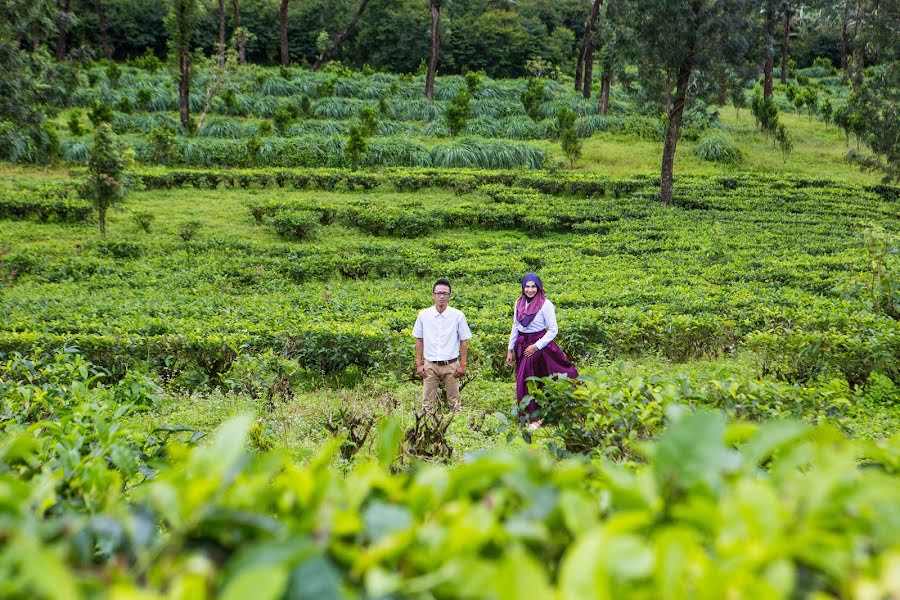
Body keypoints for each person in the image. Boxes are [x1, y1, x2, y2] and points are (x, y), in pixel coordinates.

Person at [506, 273, 578, 425]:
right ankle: (530, 416)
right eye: (527, 286)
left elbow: (553, 330)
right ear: (523, 287)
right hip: (522, 344)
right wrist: (510, 349)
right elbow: (515, 326)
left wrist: (536, 346)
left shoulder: (546, 305)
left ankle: (534, 418)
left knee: (527, 381)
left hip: (538, 344)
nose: (530, 290)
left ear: (538, 288)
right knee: (528, 380)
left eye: (533, 287)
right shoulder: (518, 303)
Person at [413, 279, 471, 413]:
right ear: (433, 295)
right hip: (430, 365)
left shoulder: (458, 315)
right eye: (438, 293)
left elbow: (464, 341)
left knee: (455, 403)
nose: (441, 297)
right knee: (428, 404)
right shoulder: (423, 315)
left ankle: (456, 431)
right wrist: (419, 364)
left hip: (451, 365)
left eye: (445, 293)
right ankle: (428, 430)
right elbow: (419, 339)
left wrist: (462, 365)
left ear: (450, 296)